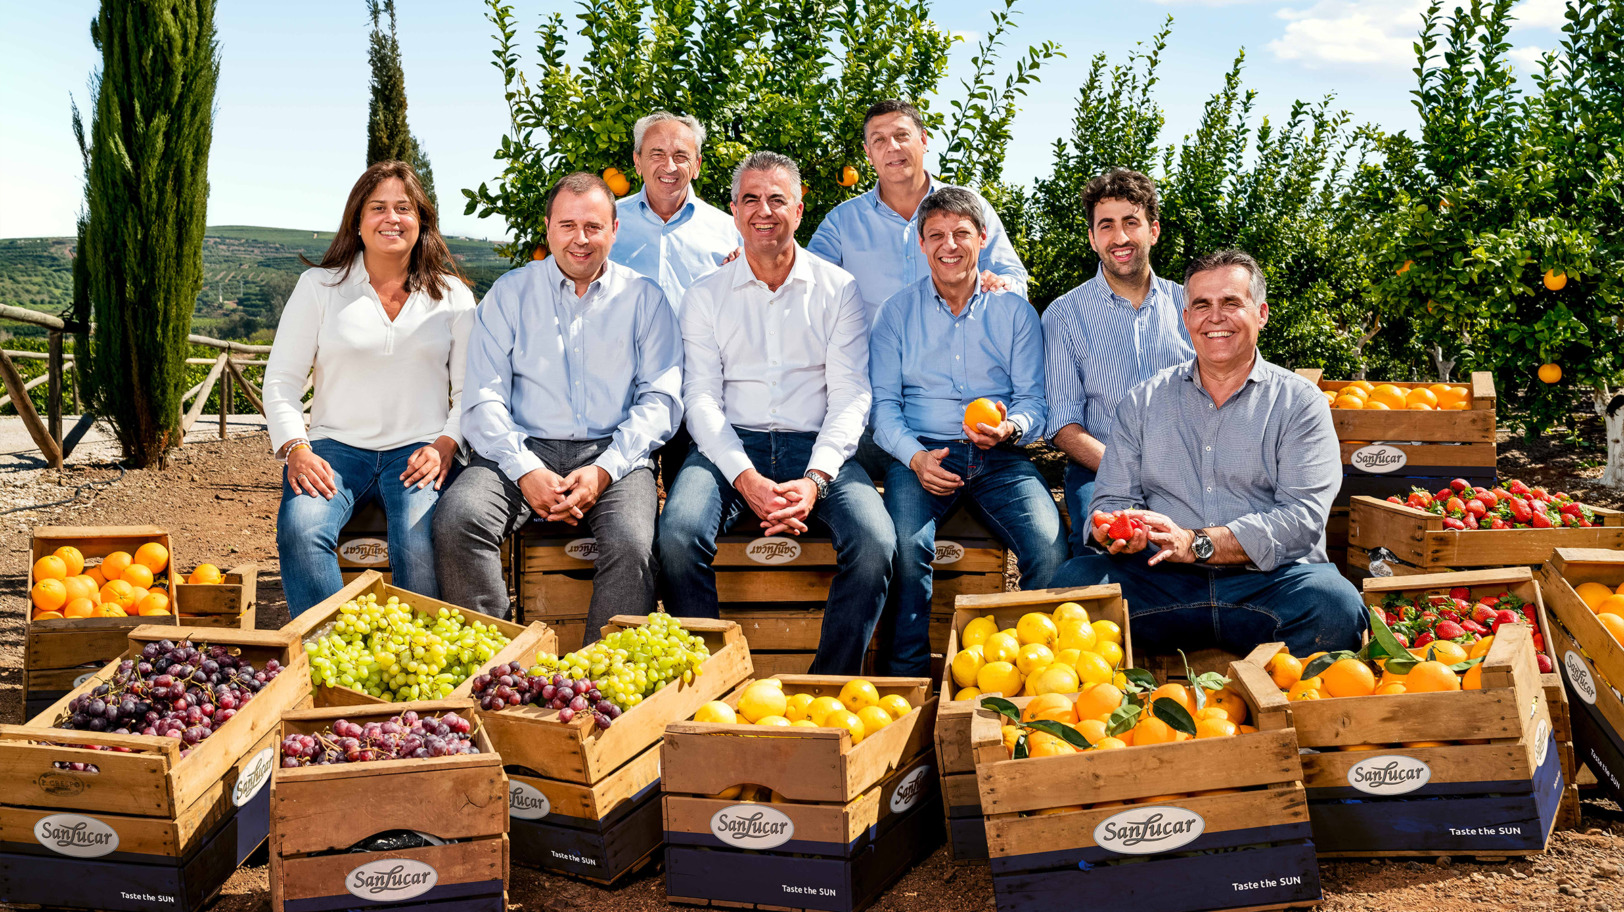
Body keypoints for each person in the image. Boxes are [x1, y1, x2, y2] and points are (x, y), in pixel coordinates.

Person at [1051, 249, 1366, 658]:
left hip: (1268, 582)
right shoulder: (1142, 402)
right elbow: (1112, 500)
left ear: (1262, 313)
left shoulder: (1299, 402)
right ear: (1186, 320)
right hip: (1161, 580)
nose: (1214, 317)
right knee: (1073, 583)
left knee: (1335, 605)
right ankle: (1117, 706)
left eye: (1231, 303)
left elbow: (1302, 519)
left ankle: (1283, 706)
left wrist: (1196, 542)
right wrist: (1121, 532)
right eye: (1201, 305)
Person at [659, 151, 894, 675]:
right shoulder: (705, 294)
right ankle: (711, 679)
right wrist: (745, 478)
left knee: (876, 542)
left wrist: (816, 478)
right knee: (677, 536)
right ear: (734, 210)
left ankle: (828, 684)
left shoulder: (838, 289)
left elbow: (852, 394)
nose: (763, 210)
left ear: (800, 208)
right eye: (750, 199)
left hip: (815, 444)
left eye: (776, 199)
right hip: (729, 444)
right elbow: (699, 398)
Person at [434, 172, 682, 633]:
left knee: (633, 543)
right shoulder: (511, 293)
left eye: (593, 226)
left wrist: (605, 468)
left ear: (614, 230)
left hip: (615, 451)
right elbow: (483, 396)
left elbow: (661, 400)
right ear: (548, 229)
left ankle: (597, 681)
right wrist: (525, 470)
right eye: (567, 225)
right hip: (522, 445)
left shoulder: (645, 299)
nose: (580, 239)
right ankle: (498, 660)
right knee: (459, 519)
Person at [869, 188, 1067, 677]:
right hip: (923, 454)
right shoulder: (895, 314)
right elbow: (883, 409)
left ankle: (1031, 672)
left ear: (982, 238)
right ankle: (908, 679)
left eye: (960, 233)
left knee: (1048, 550)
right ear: (921, 244)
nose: (948, 245)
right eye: (936, 235)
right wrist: (915, 458)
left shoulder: (1015, 312)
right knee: (905, 549)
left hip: (1001, 460)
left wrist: (1011, 428)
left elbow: (1033, 401)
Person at [263, 160, 475, 617]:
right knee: (301, 529)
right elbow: (281, 380)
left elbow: (469, 392)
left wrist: (445, 444)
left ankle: (421, 658)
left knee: (419, 539)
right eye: (378, 207)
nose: (391, 218)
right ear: (357, 222)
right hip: (333, 450)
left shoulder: (454, 296)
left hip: (421, 448)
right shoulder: (319, 287)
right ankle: (330, 655)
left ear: (422, 222)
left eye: (404, 207)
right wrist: (296, 447)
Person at [810, 99, 1030, 478]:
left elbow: (1015, 281)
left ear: (924, 140)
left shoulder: (968, 206)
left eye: (901, 135)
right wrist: (749, 258)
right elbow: (805, 282)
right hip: (877, 399)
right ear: (867, 153)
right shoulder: (842, 222)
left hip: (962, 403)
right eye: (879, 140)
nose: (891, 147)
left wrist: (1002, 284)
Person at [1042, 168, 1194, 556]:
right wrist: (1132, 470)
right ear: (1093, 239)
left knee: (1200, 553)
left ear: (1153, 230)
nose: (1120, 237)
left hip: (1189, 470)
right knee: (1105, 554)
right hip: (1100, 470)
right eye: (1106, 226)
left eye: (1131, 223)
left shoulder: (1191, 308)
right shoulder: (1064, 315)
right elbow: (1062, 424)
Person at [609, 111, 740, 493]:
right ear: (636, 161)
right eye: (656, 153)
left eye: (681, 155)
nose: (669, 166)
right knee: (628, 500)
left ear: (697, 165)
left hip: (698, 389)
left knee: (688, 506)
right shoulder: (607, 223)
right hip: (622, 391)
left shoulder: (730, 231)